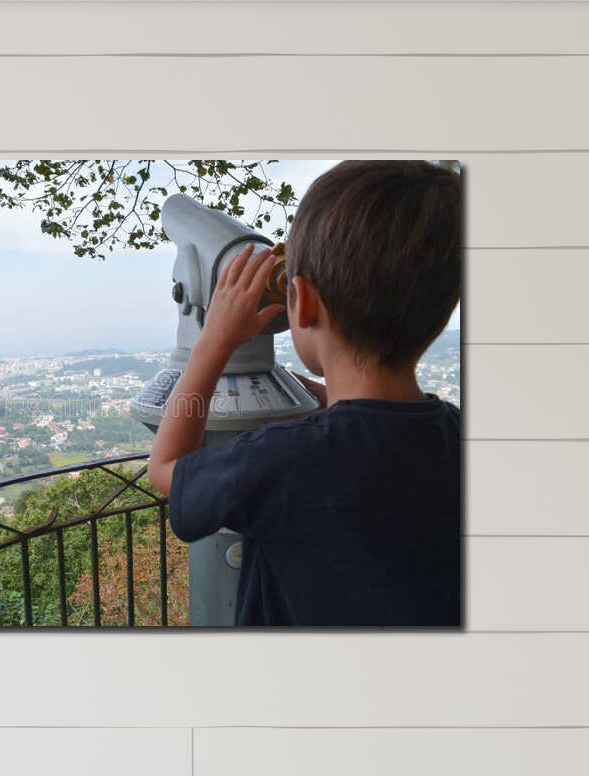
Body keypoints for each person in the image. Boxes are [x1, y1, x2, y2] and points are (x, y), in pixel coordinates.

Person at [146, 161, 462, 627]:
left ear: (303, 300)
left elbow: (165, 470)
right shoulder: (459, 436)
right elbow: (370, 431)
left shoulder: (282, 460)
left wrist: (211, 343)